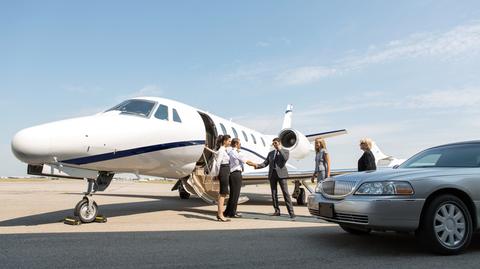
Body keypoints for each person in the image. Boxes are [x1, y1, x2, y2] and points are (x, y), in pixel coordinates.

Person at [247, 138, 295, 219]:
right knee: (273, 193)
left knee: (285, 193)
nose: (274, 145)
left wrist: (280, 149)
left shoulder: (285, 151)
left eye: (275, 143)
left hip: (282, 175)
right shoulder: (271, 153)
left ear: (279, 143)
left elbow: (285, 158)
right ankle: (277, 211)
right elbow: (265, 163)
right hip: (272, 175)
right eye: (273, 143)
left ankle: (291, 212)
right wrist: (256, 165)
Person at [224, 138, 247, 218]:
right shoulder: (235, 152)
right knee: (235, 195)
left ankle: (227, 212)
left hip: (232, 174)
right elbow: (245, 161)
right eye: (239, 143)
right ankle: (232, 213)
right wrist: (256, 165)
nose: (240, 145)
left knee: (233, 194)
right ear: (236, 144)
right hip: (236, 174)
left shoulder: (230, 152)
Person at [215, 134, 232, 221]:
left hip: (225, 170)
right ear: (224, 141)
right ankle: (220, 214)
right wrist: (217, 174)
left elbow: (216, 153)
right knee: (223, 193)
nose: (230, 142)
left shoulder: (222, 150)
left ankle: (219, 214)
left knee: (223, 193)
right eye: (229, 141)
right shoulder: (222, 150)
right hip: (223, 170)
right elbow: (218, 163)